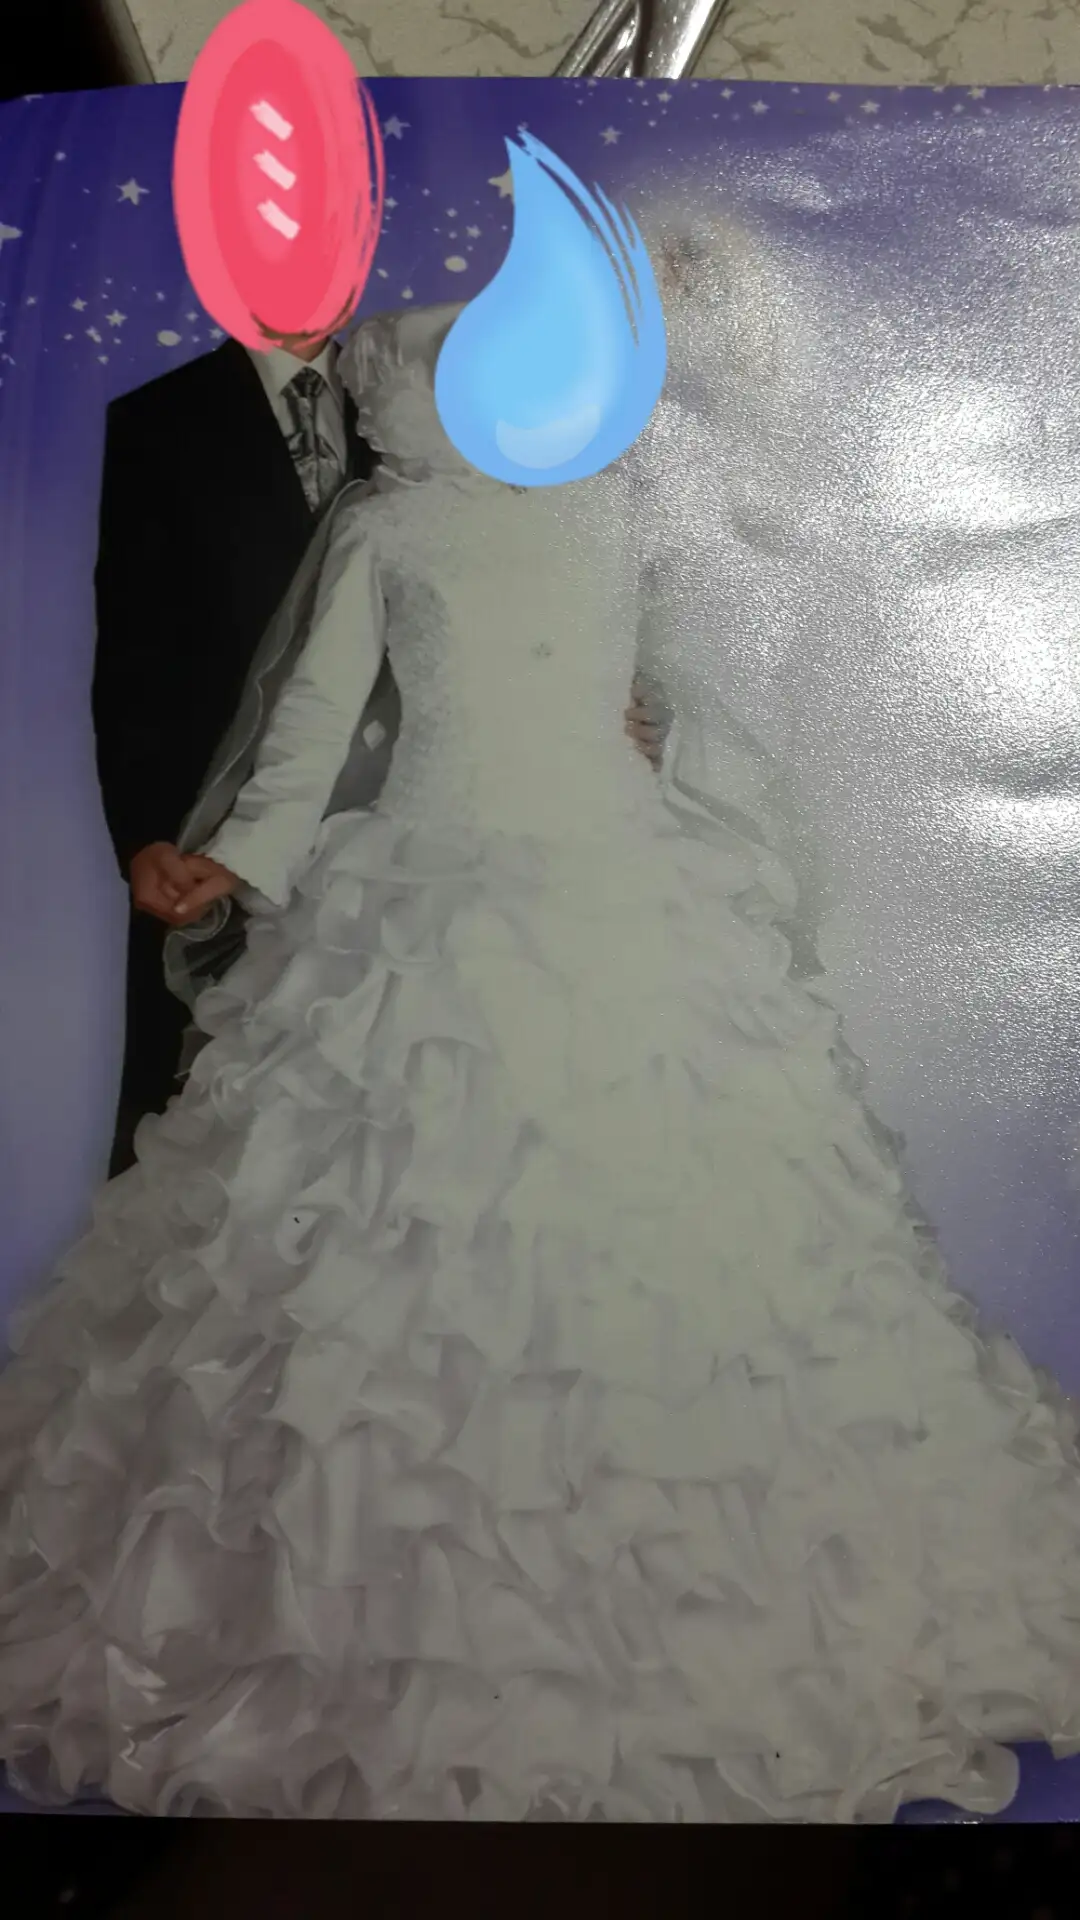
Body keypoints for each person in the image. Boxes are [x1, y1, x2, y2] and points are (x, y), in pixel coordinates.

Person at [3, 303, 1080, 1825]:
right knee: (416, 1239)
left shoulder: (602, 525)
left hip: (604, 887)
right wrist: (235, 863)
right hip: (441, 895)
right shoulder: (390, 532)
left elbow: (659, 703)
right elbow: (308, 732)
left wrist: (661, 748)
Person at [92, 327, 662, 1174]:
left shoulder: (606, 515)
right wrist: (248, 850)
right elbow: (316, 709)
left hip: (612, 867)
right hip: (429, 865)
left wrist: (644, 721)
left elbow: (633, 672)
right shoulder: (387, 527)